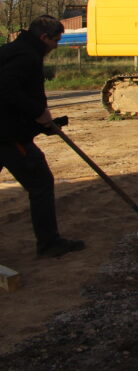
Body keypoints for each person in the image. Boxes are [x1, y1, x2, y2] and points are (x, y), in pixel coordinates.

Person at [0, 15, 86, 258]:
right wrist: (37, 112)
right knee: (41, 184)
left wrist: (42, 124)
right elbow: (6, 89)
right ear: (44, 37)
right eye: (55, 40)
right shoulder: (27, 56)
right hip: (8, 136)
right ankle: (49, 244)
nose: (56, 46)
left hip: (9, 130)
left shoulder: (11, 50)